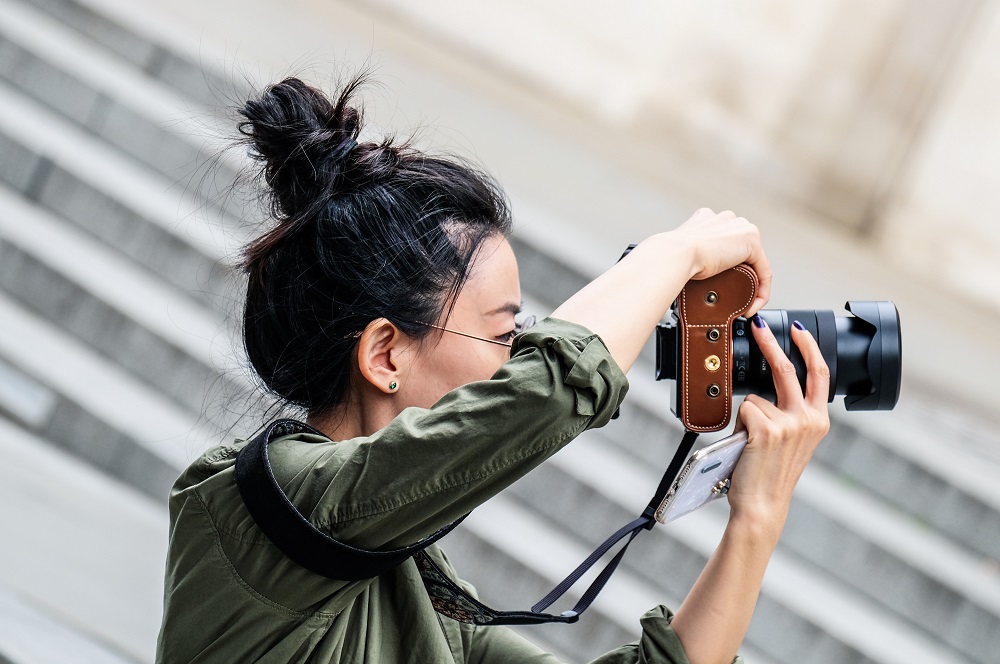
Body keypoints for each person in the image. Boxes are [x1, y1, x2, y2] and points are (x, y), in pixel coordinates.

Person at [155, 75, 830, 664]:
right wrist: (678, 253)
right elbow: (546, 395)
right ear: (386, 353)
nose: (520, 357)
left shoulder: (421, 595)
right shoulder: (260, 503)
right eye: (507, 333)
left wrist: (757, 517)